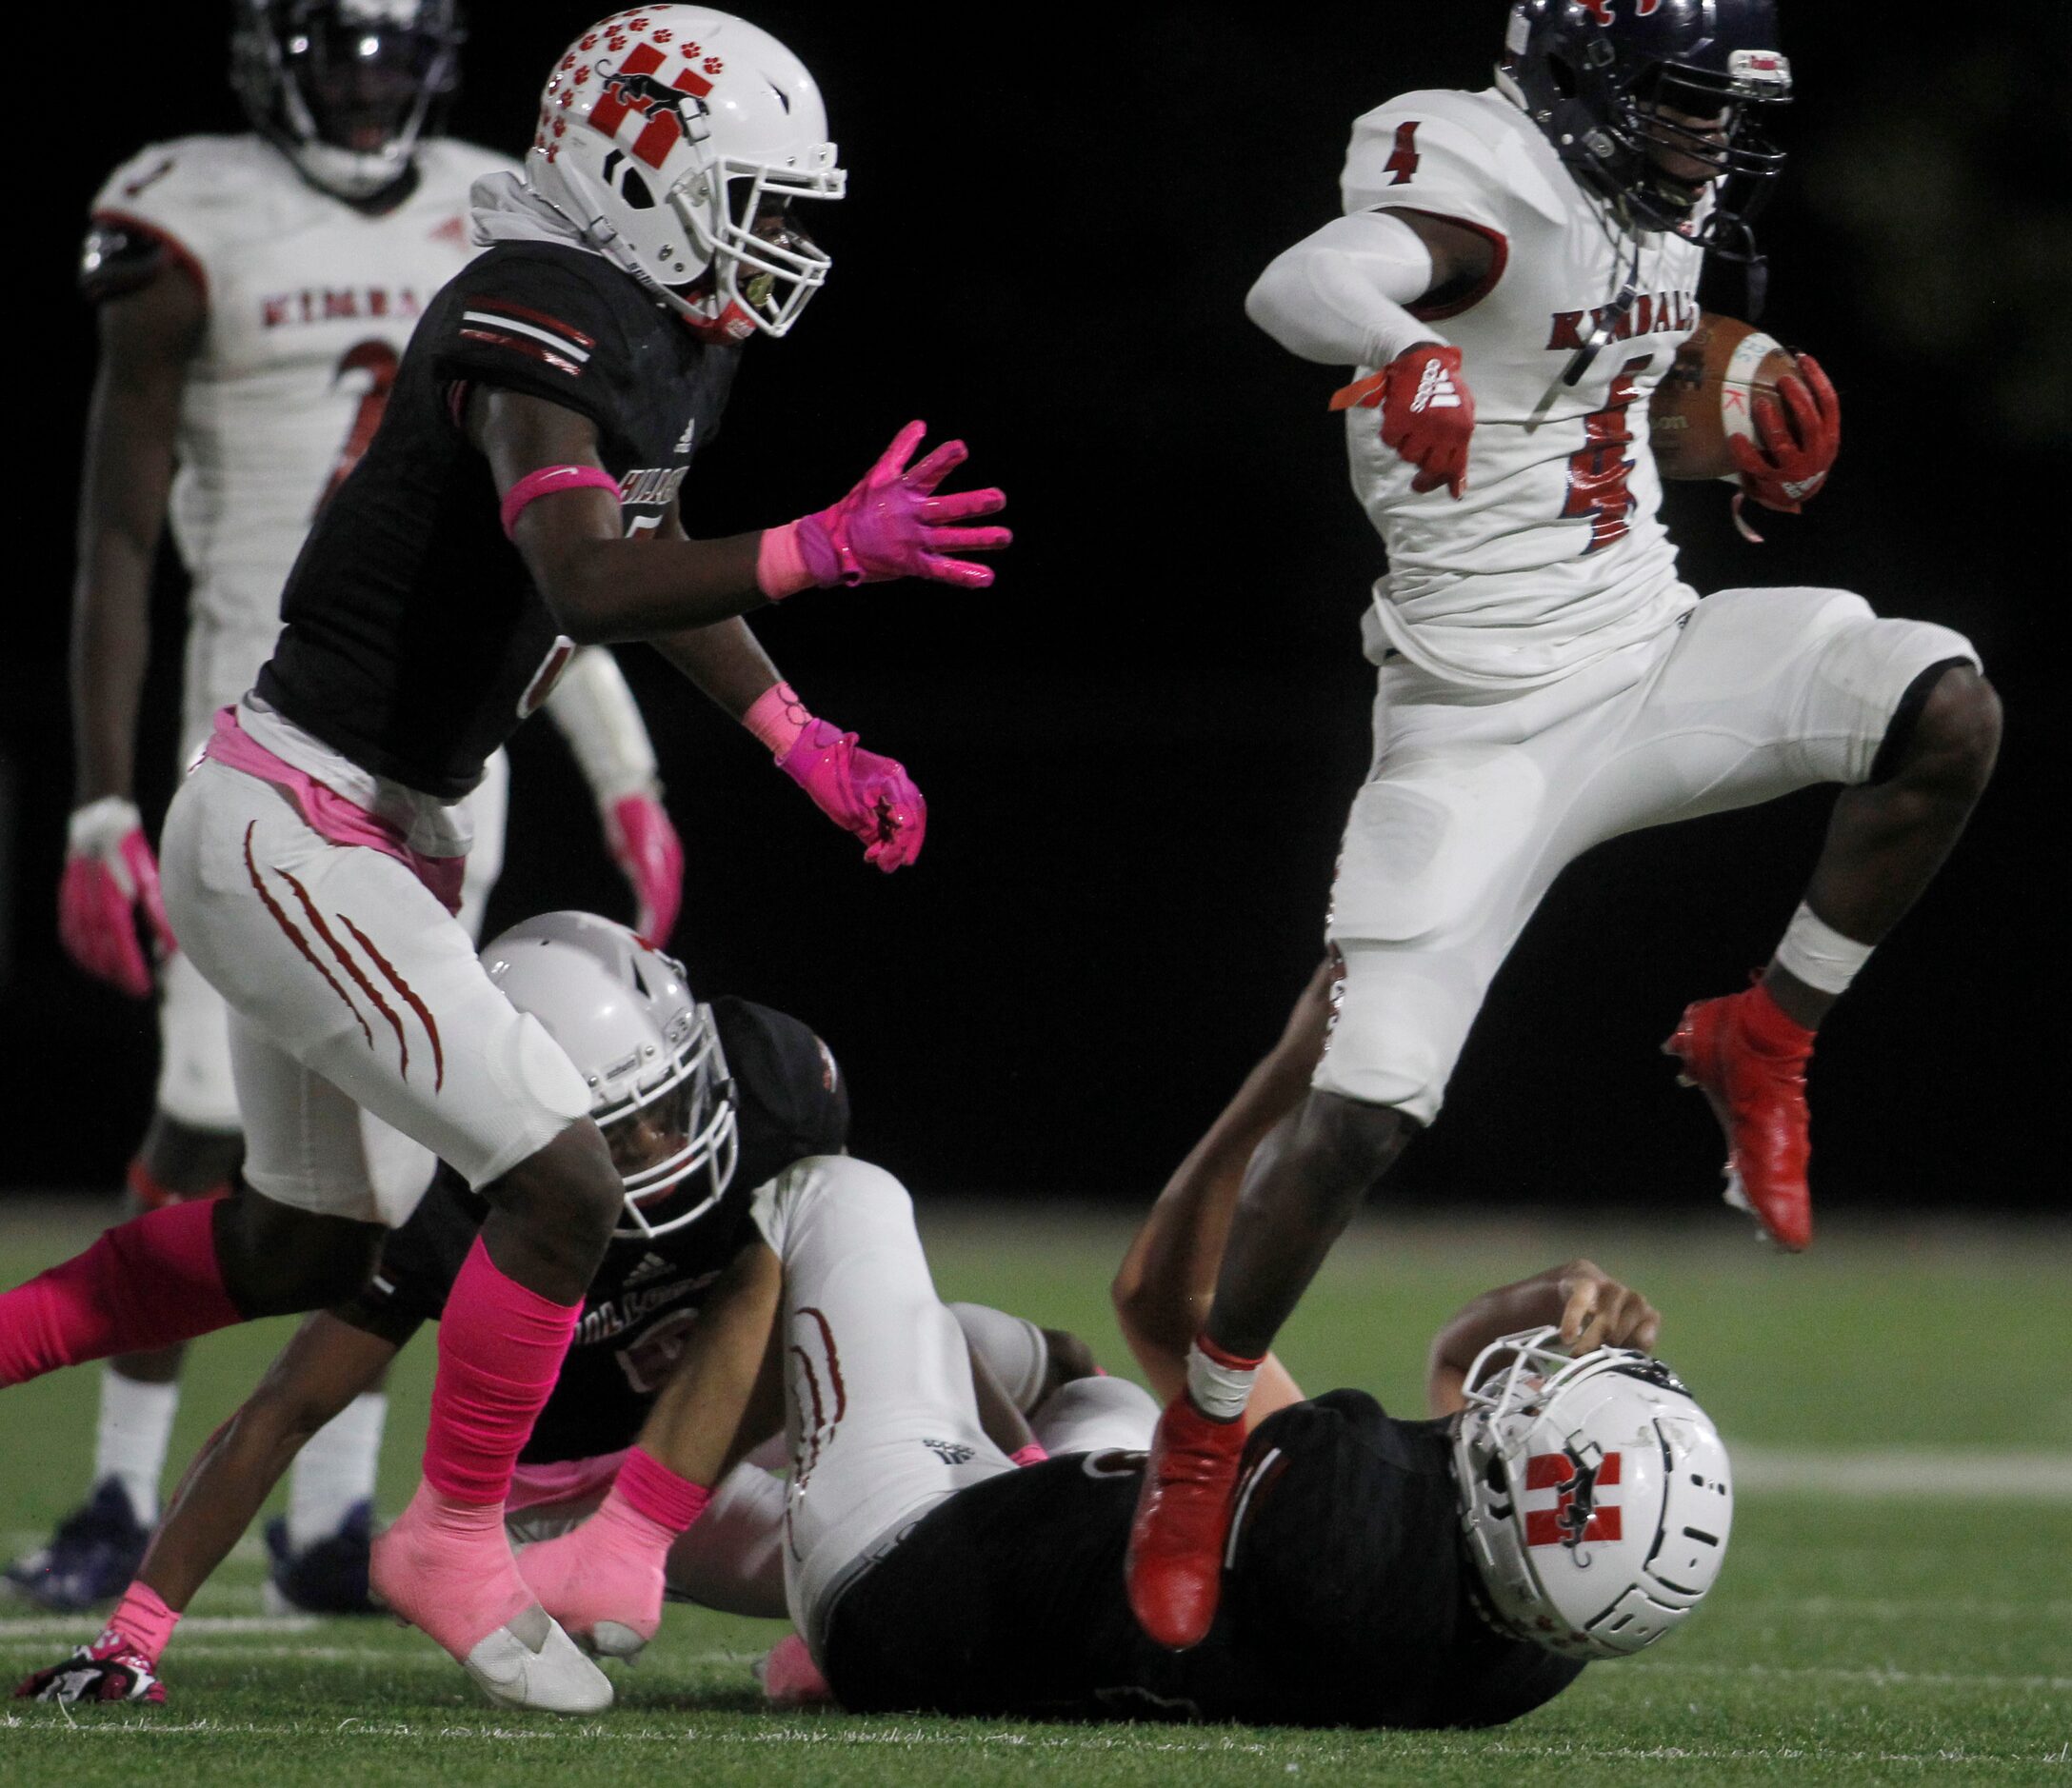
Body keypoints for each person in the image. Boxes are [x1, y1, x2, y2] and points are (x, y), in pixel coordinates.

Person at [1, 6, 1008, 1714]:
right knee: (557, 1181)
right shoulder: (529, 309)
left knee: (299, 1251)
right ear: (638, 173)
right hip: (295, 819)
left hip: (359, 817)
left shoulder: (664, 323)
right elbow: (589, 581)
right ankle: (453, 1537)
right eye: (755, 195)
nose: (783, 241)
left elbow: (655, 543)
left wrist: (796, 738)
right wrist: (824, 550)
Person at [1125, 0, 2001, 1650]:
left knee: (1946, 702)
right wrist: (1404, 343)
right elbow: (1302, 283)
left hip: (1647, 649)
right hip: (1474, 726)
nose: (1712, 146)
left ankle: (1765, 1032)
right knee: (1366, 1103)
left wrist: (1731, 449)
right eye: (1682, 106)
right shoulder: (1484, 171)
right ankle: (1200, 1428)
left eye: (1727, 116)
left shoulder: (1655, 213)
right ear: (1582, 83)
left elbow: (1598, 407)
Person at [17, 0, 691, 1620]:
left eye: (397, 55)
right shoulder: (189, 212)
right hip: (270, 744)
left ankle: (334, 1517)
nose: (369, 86)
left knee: (407, 1162)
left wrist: (629, 771)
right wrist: (98, 797)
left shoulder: (511, 224)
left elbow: (548, 555)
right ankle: (123, 1485)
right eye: (342, 52)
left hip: (451, 759)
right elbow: (115, 535)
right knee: (206, 1130)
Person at [500, 964, 1731, 1728]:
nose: (1533, 1395)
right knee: (1047, 1371)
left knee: (838, 1196)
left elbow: (1164, 1298)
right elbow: (1463, 1424)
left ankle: (618, 1538)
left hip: (901, 1577)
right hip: (1011, 1606)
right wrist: (1532, 1301)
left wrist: (1290, 1065)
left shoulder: (1340, 1516)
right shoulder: (1532, 1645)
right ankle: (619, 1502)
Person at [13, 910, 1086, 1708]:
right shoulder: (456, 1199)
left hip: (757, 1405)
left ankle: (1038, 1473)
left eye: (669, 1109)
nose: (665, 1155)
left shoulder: (771, 1077)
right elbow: (283, 1410)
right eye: (622, 1137)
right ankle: (801, 1615)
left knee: (1003, 1341)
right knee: (883, 1556)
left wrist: (1027, 1469)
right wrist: (135, 1633)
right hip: (582, 1491)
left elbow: (854, 1282)